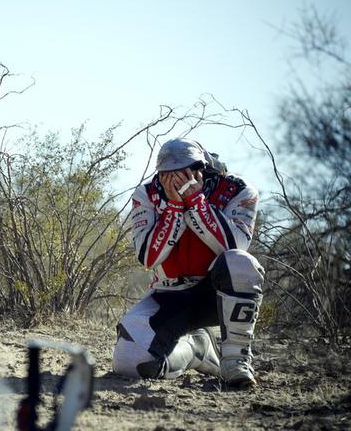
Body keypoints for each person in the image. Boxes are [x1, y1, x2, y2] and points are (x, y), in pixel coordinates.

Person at [112, 138, 263, 389]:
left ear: (202, 168)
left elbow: (232, 247)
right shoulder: (145, 195)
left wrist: (196, 201)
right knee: (129, 362)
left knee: (240, 262)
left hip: (218, 294)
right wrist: (174, 207)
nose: (176, 178)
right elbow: (149, 257)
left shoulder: (239, 191)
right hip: (169, 293)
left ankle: (235, 361)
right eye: (167, 173)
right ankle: (195, 348)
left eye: (185, 171)